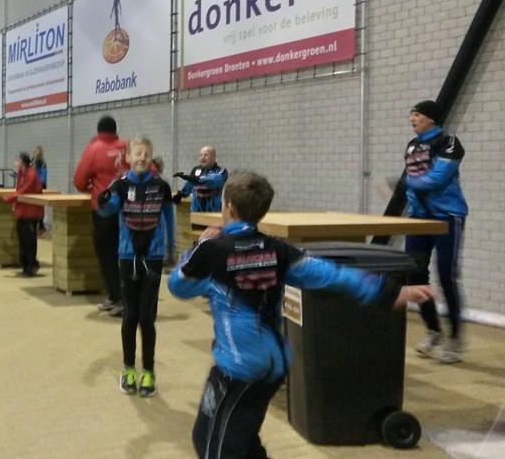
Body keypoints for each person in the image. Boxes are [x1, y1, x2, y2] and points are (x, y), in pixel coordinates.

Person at [167, 171, 433, 458]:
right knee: (237, 438)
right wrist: (389, 292)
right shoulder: (278, 250)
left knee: (214, 447)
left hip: (239, 367)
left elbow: (178, 286)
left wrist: (197, 247)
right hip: (274, 364)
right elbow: (332, 275)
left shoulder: (211, 250)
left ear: (229, 206)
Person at [96, 137, 175, 397]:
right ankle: (128, 368)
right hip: (127, 257)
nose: (142, 158)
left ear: (151, 158)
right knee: (130, 315)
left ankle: (149, 371)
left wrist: (170, 247)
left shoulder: (161, 186)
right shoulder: (120, 185)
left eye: (146, 154)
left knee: (146, 317)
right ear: (128, 158)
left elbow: (169, 217)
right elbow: (108, 210)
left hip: (152, 258)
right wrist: (102, 201)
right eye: (137, 153)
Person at [404, 100, 469, 363]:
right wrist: (410, 187)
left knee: (446, 276)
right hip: (418, 219)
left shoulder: (449, 143)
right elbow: (412, 180)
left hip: (447, 217)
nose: (412, 119)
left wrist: (409, 182)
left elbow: (436, 179)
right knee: (414, 275)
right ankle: (433, 331)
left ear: (431, 118)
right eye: (412, 115)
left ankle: (455, 339)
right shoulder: (412, 145)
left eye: (417, 115)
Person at [73, 115, 128, 317]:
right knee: (127, 253)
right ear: (115, 130)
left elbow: (79, 181)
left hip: (104, 209)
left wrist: (93, 189)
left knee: (106, 254)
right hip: (128, 209)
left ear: (99, 131)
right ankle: (122, 297)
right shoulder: (128, 147)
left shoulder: (94, 149)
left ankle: (117, 297)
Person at [3, 152, 44, 277]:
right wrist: (14, 204)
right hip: (22, 210)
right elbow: (18, 190)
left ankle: (31, 265)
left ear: (21, 162)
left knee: (29, 240)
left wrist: (10, 198)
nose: (15, 163)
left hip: (32, 211)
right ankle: (26, 264)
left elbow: (25, 190)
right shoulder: (21, 173)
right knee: (21, 238)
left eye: (16, 160)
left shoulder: (31, 174)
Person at [173, 146, 228, 212]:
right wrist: (181, 195)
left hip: (213, 212)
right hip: (196, 211)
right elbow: (190, 184)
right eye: (201, 155)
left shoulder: (221, 171)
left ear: (214, 157)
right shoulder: (196, 170)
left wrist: (196, 179)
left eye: (206, 155)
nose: (202, 157)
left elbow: (213, 181)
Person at [32, 146, 48, 235]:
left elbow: (43, 178)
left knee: (39, 206)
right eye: (34, 152)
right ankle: (37, 225)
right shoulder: (32, 162)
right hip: (34, 187)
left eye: (36, 152)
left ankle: (41, 226)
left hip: (40, 187)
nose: (35, 154)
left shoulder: (42, 164)